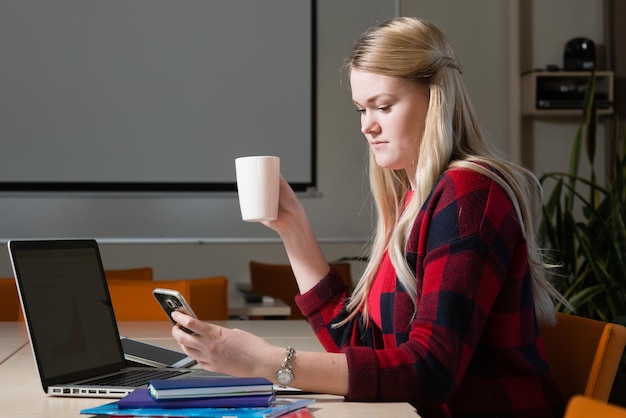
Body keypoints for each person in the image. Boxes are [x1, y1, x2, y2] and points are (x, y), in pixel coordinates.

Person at [171, 17, 567, 417]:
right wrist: (292, 227)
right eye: (361, 108)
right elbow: (363, 349)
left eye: (383, 106)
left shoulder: (469, 196)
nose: (367, 125)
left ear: (435, 98)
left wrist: (268, 362)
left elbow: (431, 370)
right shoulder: (416, 198)